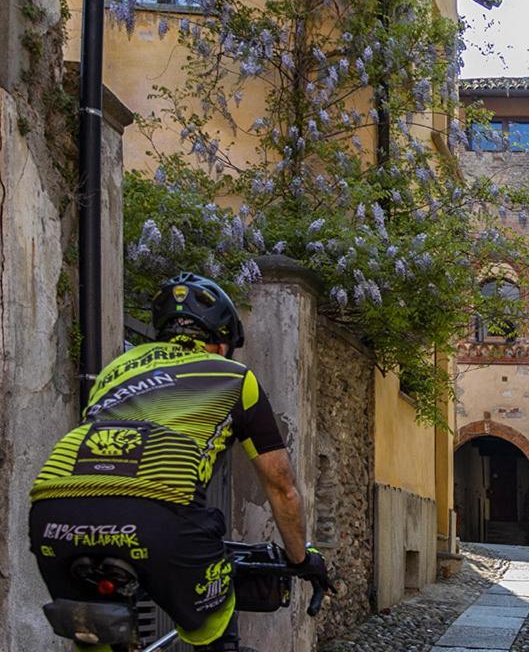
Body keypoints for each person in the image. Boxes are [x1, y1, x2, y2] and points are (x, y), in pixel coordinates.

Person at [29, 272, 334, 651]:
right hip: (158, 511)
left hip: (54, 512)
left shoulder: (113, 372)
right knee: (215, 638)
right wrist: (302, 557)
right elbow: (281, 486)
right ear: (220, 342)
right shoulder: (234, 377)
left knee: (96, 642)